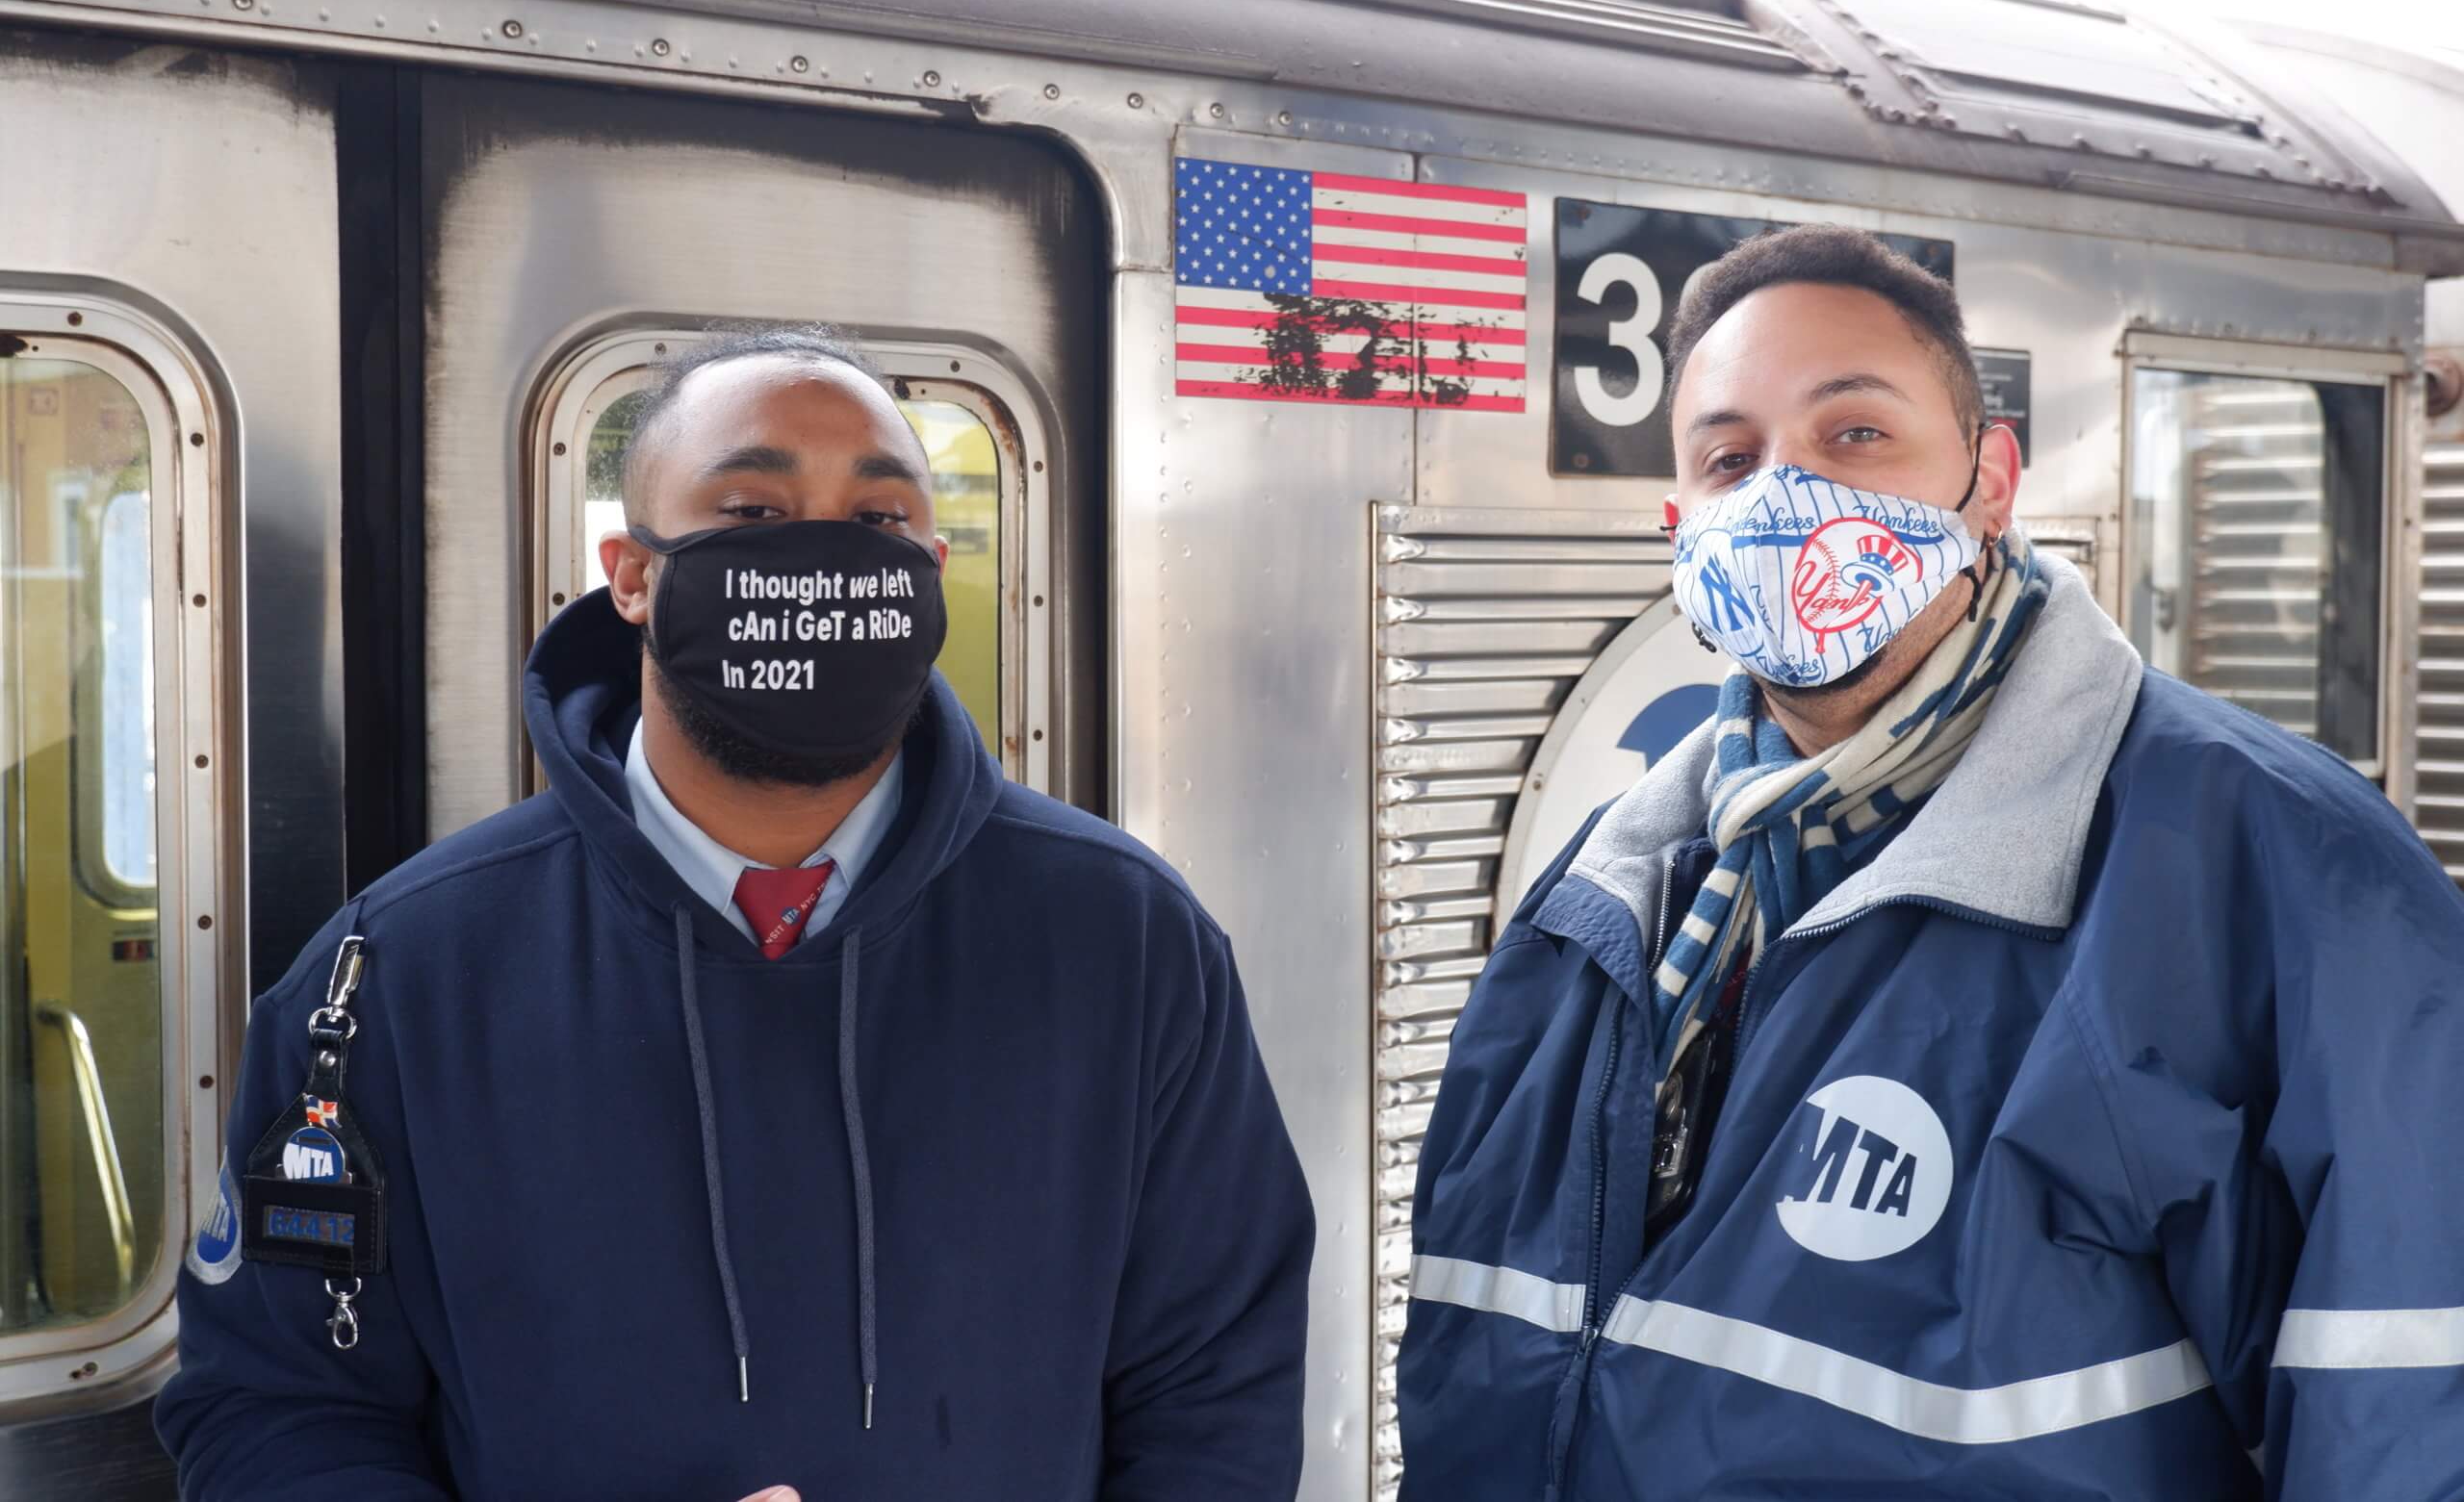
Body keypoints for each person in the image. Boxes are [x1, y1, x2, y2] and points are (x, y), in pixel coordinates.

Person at [157, 327, 1314, 1502]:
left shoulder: (1126, 942)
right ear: (630, 574)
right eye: (753, 512)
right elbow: (278, 1411)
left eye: (877, 520)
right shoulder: (399, 974)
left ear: (930, 568)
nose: (822, 558)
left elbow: (1215, 1396)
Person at [1399, 225, 2464, 1498]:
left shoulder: (2285, 869)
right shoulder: (1603, 902)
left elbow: (2409, 1417)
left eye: (1854, 432)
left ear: (1990, 478)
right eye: (1731, 458)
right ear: (1681, 530)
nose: (1786, 495)